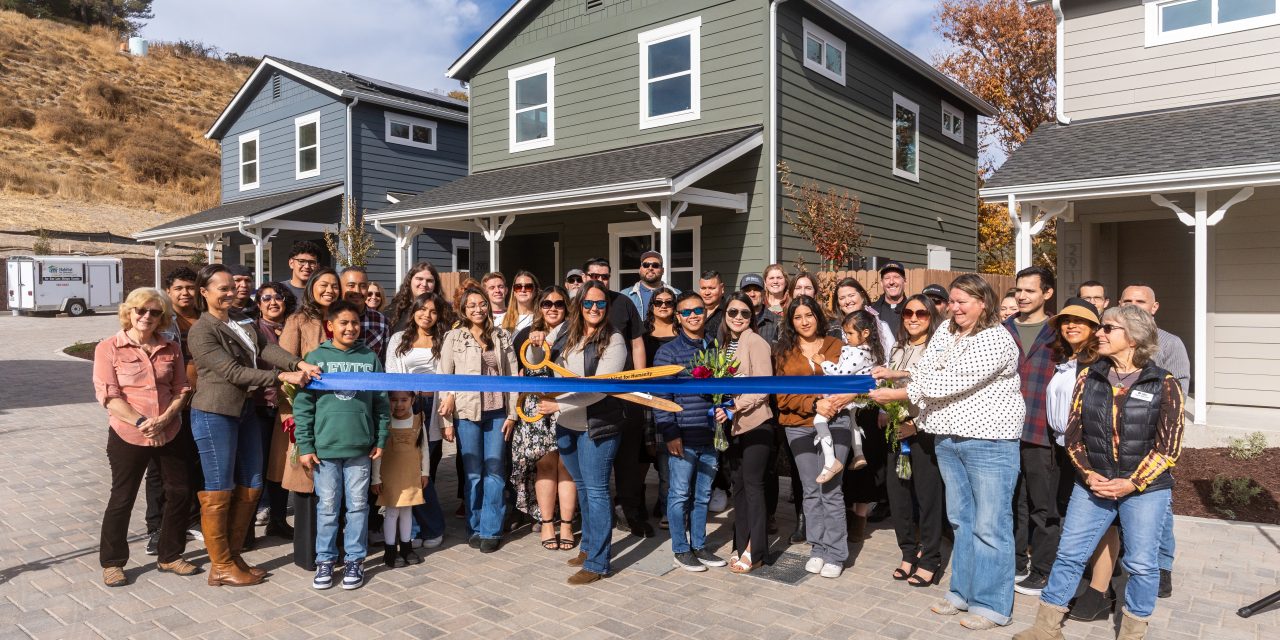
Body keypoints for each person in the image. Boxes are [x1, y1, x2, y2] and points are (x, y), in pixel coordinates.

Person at [1015, 305, 1184, 640]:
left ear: (1134, 338)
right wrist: (1090, 474)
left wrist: (1132, 482)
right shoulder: (1088, 378)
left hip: (1145, 489)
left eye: (1109, 328)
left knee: (1142, 564)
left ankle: (1133, 632)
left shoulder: (1164, 384)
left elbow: (1169, 448)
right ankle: (1045, 628)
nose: (1100, 333)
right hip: (1094, 483)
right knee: (1070, 554)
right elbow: (1073, 437)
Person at [869, 274, 1024, 630]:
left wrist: (897, 394)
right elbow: (925, 370)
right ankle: (962, 593)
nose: (954, 308)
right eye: (951, 301)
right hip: (948, 438)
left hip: (989, 440)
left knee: (991, 525)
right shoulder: (947, 332)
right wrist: (898, 376)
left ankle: (992, 605)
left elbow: (949, 381)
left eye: (962, 302)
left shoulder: (996, 339)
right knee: (961, 521)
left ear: (983, 302)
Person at [186, 264, 320, 587]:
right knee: (219, 488)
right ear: (204, 293)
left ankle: (232, 555)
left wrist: (297, 362)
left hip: (243, 410)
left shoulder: (242, 319)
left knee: (253, 481)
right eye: (223, 288)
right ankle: (219, 565)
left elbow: (266, 348)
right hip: (214, 412)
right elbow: (232, 372)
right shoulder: (202, 330)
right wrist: (281, 376)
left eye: (233, 286)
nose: (231, 292)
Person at [93, 288, 198, 586]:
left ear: (162, 317)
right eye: (141, 310)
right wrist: (142, 422)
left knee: (179, 492)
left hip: (170, 428)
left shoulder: (171, 348)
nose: (147, 317)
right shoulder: (108, 348)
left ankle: (170, 555)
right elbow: (108, 395)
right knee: (123, 497)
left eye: (154, 312)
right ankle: (112, 562)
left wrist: (165, 419)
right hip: (127, 432)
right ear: (129, 312)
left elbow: (181, 389)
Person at [293, 301, 391, 590]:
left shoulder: (369, 358)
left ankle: (354, 559)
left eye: (355, 323)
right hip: (325, 451)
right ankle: (325, 559)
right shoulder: (315, 357)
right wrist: (306, 446)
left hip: (360, 448)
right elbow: (303, 406)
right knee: (327, 508)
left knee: (359, 506)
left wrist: (381, 438)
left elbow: (382, 402)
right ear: (330, 326)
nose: (350, 328)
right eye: (344, 323)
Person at [536, 280, 628, 584]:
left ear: (607, 307)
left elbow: (600, 389)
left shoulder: (614, 340)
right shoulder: (564, 331)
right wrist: (537, 340)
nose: (593, 308)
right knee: (584, 489)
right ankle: (588, 548)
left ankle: (599, 563)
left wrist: (558, 407)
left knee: (598, 491)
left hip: (597, 426)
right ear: (580, 305)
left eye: (600, 304)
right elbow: (539, 362)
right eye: (588, 303)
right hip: (567, 427)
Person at [1038, 298, 1113, 622]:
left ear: (1094, 328)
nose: (1071, 326)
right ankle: (1086, 579)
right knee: (1074, 516)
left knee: (1103, 520)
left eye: (1080, 321)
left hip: (1092, 451)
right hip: (1063, 448)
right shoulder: (1067, 359)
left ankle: (1100, 591)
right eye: (1066, 321)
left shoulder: (1102, 364)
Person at [1118, 283, 1188, 599]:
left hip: (1153, 444)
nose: (1133, 306)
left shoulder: (1170, 345)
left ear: (1154, 307)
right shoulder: (1111, 341)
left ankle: (1162, 567)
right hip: (1117, 441)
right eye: (1127, 301)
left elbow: (1176, 401)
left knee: (1160, 508)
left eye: (1140, 301)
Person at [873, 294, 946, 589]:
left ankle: (930, 558)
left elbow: (935, 390)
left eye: (921, 313)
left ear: (931, 317)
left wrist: (913, 424)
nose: (913, 318)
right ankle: (906, 552)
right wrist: (882, 411)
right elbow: (889, 385)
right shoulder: (899, 348)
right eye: (907, 313)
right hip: (894, 431)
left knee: (928, 498)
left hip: (923, 432)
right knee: (898, 494)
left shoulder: (936, 349)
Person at [775, 295, 850, 578]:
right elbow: (782, 397)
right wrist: (812, 404)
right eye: (798, 317)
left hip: (837, 422)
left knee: (831, 487)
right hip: (798, 425)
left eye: (809, 315)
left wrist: (834, 403)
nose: (804, 321)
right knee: (810, 488)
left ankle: (836, 553)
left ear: (818, 316)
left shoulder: (837, 346)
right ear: (791, 322)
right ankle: (817, 548)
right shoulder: (783, 352)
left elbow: (851, 379)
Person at [438, 288, 519, 553]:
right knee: (473, 473)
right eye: (471, 305)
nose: (477, 309)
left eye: (482, 304)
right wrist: (447, 420)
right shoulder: (453, 337)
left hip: (497, 413)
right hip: (466, 412)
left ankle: (491, 528)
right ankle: (473, 526)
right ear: (463, 309)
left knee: (494, 471)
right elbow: (444, 376)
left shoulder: (502, 336)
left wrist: (512, 413)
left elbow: (513, 377)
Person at [655, 291, 726, 573]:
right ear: (678, 317)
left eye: (698, 310)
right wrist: (670, 432)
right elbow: (660, 398)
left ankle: (699, 545)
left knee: (702, 496)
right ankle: (680, 549)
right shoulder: (668, 352)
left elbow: (724, 390)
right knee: (680, 495)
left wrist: (726, 410)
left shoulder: (714, 346)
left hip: (709, 435)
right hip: (682, 437)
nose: (693, 315)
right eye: (686, 312)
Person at [581, 257, 652, 536]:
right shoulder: (579, 304)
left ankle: (628, 511)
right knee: (592, 460)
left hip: (624, 393)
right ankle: (593, 516)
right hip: (587, 395)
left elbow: (637, 343)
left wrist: (641, 382)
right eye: (593, 275)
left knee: (628, 458)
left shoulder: (623, 303)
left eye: (604, 276)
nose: (599, 280)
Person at [1005, 266, 1063, 596]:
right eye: (1019, 291)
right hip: (1006, 430)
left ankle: (1043, 568)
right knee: (1013, 501)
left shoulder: (1059, 332)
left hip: (1042, 431)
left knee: (1043, 505)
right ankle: (1015, 560)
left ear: (1047, 293)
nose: (1022, 296)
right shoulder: (1003, 330)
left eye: (1030, 290)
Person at [511, 286, 577, 552]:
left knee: (568, 467)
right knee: (546, 466)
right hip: (537, 408)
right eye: (547, 304)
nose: (553, 308)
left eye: (559, 304)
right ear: (540, 307)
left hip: (568, 404)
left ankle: (568, 524)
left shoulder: (576, 333)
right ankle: (548, 523)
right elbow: (526, 367)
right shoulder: (528, 335)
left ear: (566, 307)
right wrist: (538, 342)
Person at [385, 292, 451, 550]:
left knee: (423, 471)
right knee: (409, 469)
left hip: (433, 407)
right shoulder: (398, 340)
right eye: (422, 309)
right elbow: (392, 374)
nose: (427, 315)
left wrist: (447, 411)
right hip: (405, 407)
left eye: (433, 311)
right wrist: (402, 405)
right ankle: (414, 527)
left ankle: (431, 527)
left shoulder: (444, 340)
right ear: (413, 311)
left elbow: (449, 375)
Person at [714, 293, 774, 574]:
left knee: (752, 488)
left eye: (745, 313)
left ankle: (756, 550)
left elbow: (763, 388)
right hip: (733, 425)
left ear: (753, 316)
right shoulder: (725, 343)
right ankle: (741, 544)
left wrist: (734, 406)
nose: (738, 317)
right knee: (737, 487)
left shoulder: (756, 342)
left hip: (755, 425)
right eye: (732, 312)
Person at [144, 266, 202, 555]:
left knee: (191, 463)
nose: (185, 293)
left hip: (199, 403)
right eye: (179, 288)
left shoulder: (204, 319)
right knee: (158, 469)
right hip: (167, 407)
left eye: (190, 287)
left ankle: (191, 519)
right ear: (169, 291)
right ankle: (156, 527)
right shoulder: (160, 320)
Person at [814, 311, 883, 478]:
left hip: (844, 394)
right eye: (846, 333)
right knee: (853, 423)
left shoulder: (858, 353)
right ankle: (858, 453)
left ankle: (831, 461)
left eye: (851, 333)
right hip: (854, 397)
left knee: (819, 420)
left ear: (865, 333)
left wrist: (823, 363)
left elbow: (841, 373)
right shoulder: (870, 351)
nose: (847, 337)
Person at [254, 282, 297, 542]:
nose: (273, 302)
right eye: (266, 298)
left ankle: (278, 521)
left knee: (281, 466)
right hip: (260, 406)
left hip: (287, 407)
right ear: (258, 304)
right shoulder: (254, 331)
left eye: (278, 297)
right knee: (256, 467)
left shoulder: (292, 327)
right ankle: (247, 526)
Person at [372, 391, 428, 569]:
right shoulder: (384, 422)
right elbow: (377, 453)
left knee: (407, 511)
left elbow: (424, 449)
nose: (399, 404)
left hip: (411, 475)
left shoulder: (419, 420)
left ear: (412, 400)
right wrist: (375, 478)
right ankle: (390, 550)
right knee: (391, 512)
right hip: (390, 475)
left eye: (404, 400)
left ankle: (406, 547)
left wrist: (424, 472)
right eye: (394, 400)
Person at [642, 287, 679, 527]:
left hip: (679, 399)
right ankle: (663, 506)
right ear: (651, 306)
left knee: (675, 464)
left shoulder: (683, 332)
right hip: (649, 401)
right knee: (660, 461)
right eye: (658, 302)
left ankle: (671, 509)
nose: (664, 306)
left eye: (668, 302)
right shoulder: (643, 336)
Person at [830, 277, 896, 354]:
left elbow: (892, 357)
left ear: (862, 296)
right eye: (842, 298)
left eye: (851, 295)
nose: (847, 301)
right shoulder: (833, 330)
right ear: (838, 304)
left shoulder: (881, 326)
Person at [339, 267, 391, 361]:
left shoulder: (381, 321)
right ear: (340, 287)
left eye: (363, 286)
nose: (357, 291)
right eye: (351, 285)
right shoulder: (329, 319)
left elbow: (386, 361)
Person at [388, 261, 442, 331]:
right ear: (410, 281)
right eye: (419, 279)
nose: (424, 284)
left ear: (435, 284)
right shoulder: (393, 311)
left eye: (429, 280)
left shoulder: (444, 311)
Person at [625, 250, 676, 320]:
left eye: (655, 265)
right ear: (640, 270)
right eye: (646, 265)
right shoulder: (625, 295)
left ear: (663, 270)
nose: (650, 268)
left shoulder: (676, 294)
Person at [741, 273, 779, 343]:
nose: (752, 294)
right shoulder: (735, 322)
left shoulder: (777, 322)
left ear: (763, 293)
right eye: (747, 290)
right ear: (741, 294)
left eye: (756, 290)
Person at [870, 260, 907, 329]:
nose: (891, 282)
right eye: (887, 278)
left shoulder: (912, 311)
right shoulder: (872, 311)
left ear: (904, 281)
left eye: (896, 277)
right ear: (881, 283)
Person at [698, 270, 726, 338]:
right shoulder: (694, 311)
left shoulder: (729, 311)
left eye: (711, 288)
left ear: (722, 288)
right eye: (703, 288)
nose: (707, 293)